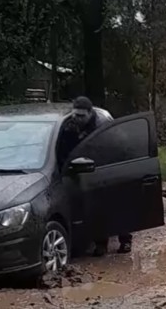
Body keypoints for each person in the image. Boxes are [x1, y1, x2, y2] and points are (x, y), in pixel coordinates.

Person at [58, 96, 133, 255]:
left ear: (90, 113)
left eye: (81, 116)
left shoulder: (102, 126)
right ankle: (101, 244)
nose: (77, 119)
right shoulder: (69, 126)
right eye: (75, 115)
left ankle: (125, 241)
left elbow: (116, 147)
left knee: (118, 207)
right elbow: (64, 148)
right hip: (85, 171)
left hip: (107, 168)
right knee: (97, 210)